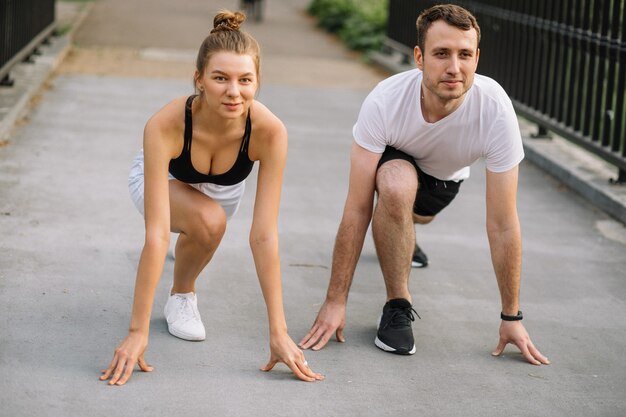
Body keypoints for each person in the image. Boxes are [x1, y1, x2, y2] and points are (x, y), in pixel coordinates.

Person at [299, 4, 549, 365]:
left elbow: (503, 223)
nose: (454, 67)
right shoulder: (385, 100)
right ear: (418, 56)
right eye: (441, 53)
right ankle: (397, 305)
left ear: (477, 57)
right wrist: (336, 301)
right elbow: (357, 207)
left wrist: (512, 316)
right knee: (396, 188)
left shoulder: (494, 109)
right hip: (397, 162)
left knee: (414, 217)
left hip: (443, 182)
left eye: (464, 55)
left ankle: (404, 236)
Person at [100, 10, 323, 385]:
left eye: (244, 80)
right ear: (199, 79)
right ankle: (182, 295)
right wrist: (138, 331)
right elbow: (155, 235)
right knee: (207, 222)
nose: (233, 91)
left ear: (258, 82)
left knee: (209, 223)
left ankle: (186, 261)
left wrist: (278, 332)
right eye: (220, 78)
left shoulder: (269, 132)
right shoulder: (166, 124)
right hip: (164, 179)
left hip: (224, 190)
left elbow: (264, 235)